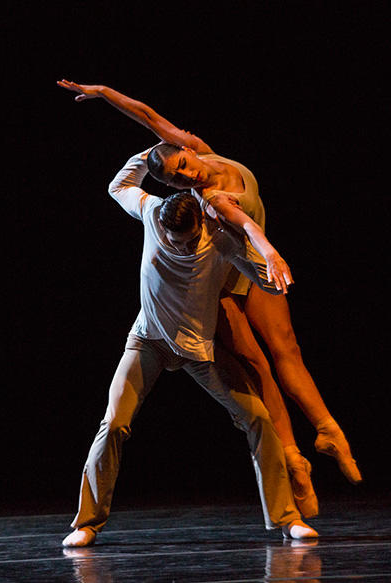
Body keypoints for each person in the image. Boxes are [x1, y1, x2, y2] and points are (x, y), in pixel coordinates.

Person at [57, 81, 362, 511]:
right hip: (230, 268)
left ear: (187, 150)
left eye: (183, 164)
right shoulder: (212, 202)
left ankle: (328, 430)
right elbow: (247, 226)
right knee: (256, 366)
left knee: (286, 348)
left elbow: (147, 116)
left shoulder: (199, 150)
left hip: (248, 263)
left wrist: (105, 93)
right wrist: (271, 250)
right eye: (178, 177)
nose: (188, 175)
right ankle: (294, 461)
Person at [62, 149, 318, 547]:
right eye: (169, 241)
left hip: (199, 351)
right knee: (113, 423)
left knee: (258, 420)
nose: (175, 247)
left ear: (198, 227)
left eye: (183, 243)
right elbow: (119, 186)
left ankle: (287, 518)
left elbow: (258, 275)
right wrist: (150, 155)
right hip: (147, 340)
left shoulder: (218, 238)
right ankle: (86, 523)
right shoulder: (152, 212)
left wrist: (271, 271)